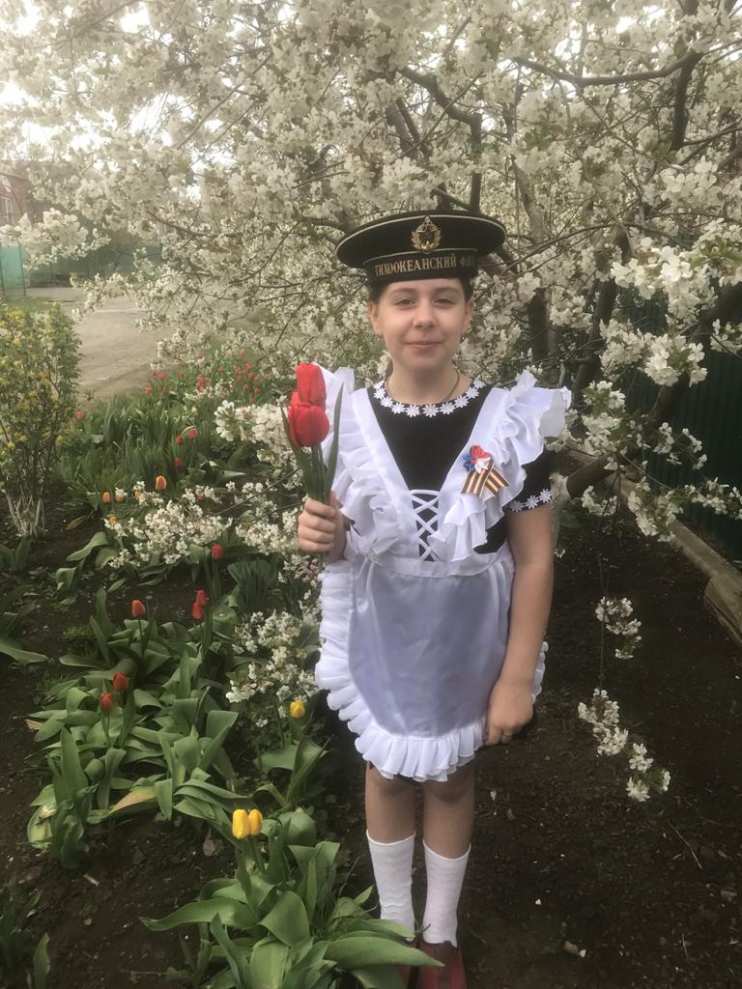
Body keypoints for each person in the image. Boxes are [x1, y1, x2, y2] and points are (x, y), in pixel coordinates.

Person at [297, 210, 572, 988]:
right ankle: (394, 929)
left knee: (450, 778)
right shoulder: (344, 423)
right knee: (386, 771)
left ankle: (440, 935)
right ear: (374, 315)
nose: (424, 317)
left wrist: (516, 676)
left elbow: (535, 556)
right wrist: (322, 535)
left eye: (444, 298)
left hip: (465, 646)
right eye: (404, 300)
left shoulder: (511, 425)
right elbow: (349, 545)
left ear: (468, 311)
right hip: (385, 639)